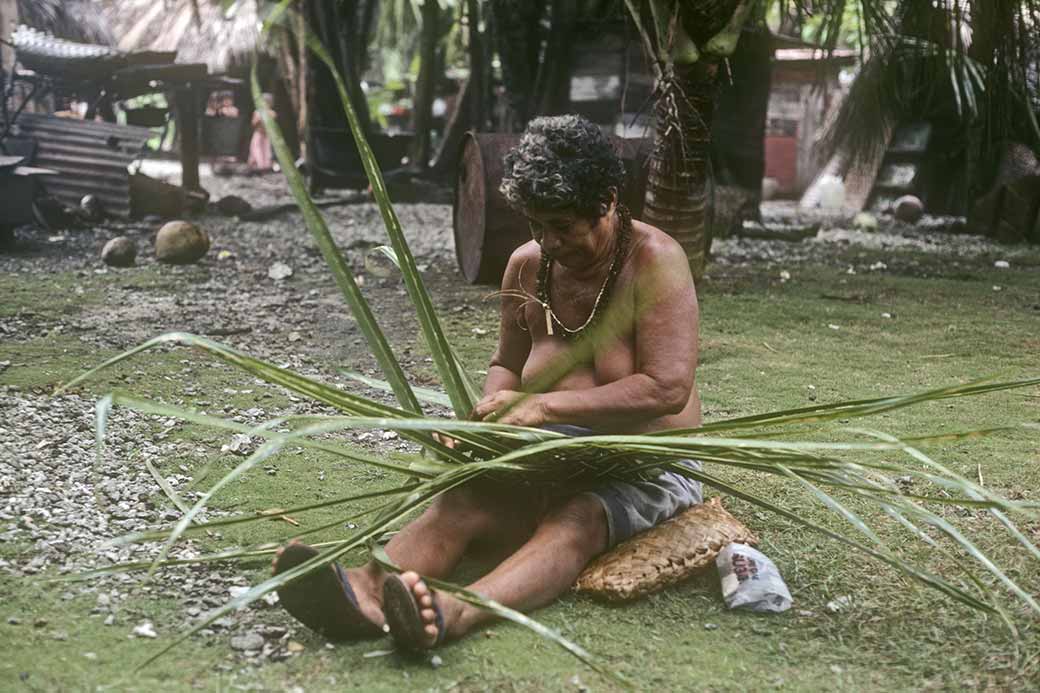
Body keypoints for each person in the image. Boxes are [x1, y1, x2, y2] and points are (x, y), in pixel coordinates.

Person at [272, 114, 703, 650]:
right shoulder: (528, 267)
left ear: (608, 201)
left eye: (563, 226)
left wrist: (543, 408)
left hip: (646, 462)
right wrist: (487, 420)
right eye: (535, 225)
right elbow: (505, 363)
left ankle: (454, 614)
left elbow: (666, 388)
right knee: (467, 494)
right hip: (552, 451)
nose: (548, 242)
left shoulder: (655, 262)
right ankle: (365, 590)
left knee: (578, 518)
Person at [247, 93, 275, 173]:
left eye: (267, 102)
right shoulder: (257, 112)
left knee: (266, 150)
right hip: (258, 134)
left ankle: (265, 166)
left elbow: (273, 124)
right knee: (255, 149)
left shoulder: (272, 113)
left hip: (267, 135)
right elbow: (253, 123)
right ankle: (257, 165)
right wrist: (259, 119)